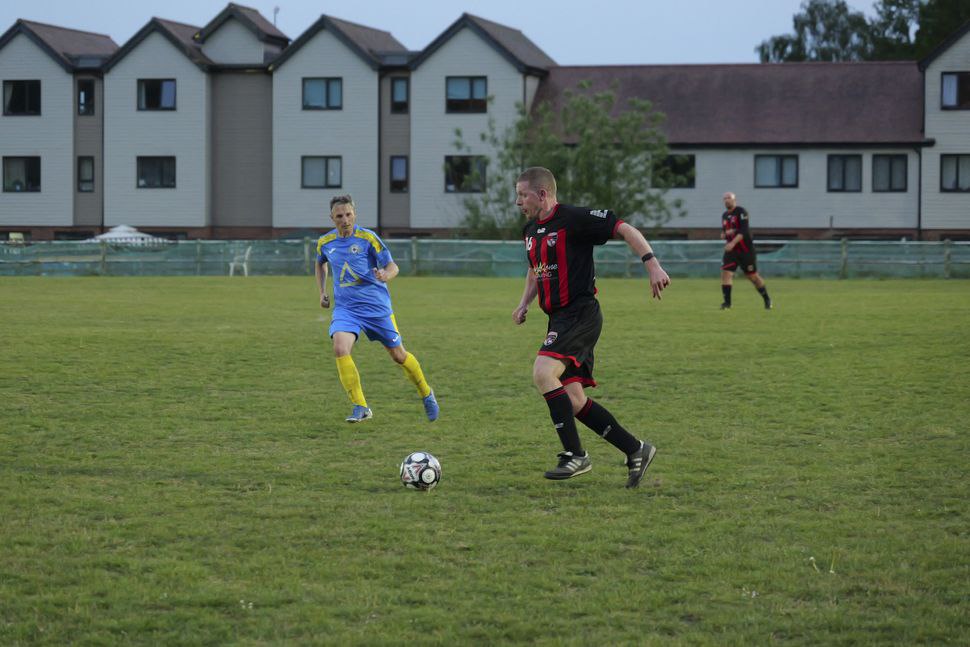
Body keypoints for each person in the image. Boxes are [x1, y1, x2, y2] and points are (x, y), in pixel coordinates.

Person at [512, 167, 669, 488]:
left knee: (543, 373)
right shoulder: (530, 230)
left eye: (522, 195)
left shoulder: (573, 219)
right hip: (558, 318)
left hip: (580, 313)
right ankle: (636, 449)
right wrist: (524, 302)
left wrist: (652, 264)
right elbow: (535, 269)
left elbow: (624, 228)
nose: (518, 202)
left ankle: (575, 454)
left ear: (542, 194)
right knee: (573, 400)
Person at [315, 194, 439, 423]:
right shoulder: (325, 242)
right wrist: (322, 291)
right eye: (339, 216)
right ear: (331, 218)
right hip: (346, 309)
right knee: (340, 348)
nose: (345, 220)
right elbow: (320, 262)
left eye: (348, 214)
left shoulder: (368, 238)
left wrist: (385, 275)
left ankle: (426, 392)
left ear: (355, 214)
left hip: (376, 308)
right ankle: (361, 406)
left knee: (399, 356)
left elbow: (393, 266)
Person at [719, 192, 772, 310]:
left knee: (753, 277)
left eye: (729, 198)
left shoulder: (741, 212)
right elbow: (725, 230)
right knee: (726, 273)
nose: (726, 200)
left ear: (734, 200)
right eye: (725, 199)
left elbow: (744, 231)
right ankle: (727, 303)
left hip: (745, 251)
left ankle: (767, 299)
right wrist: (723, 234)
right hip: (731, 252)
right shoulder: (724, 215)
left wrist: (732, 242)